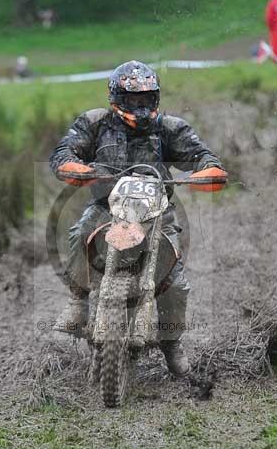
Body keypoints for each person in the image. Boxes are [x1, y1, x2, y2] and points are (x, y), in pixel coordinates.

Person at [49, 60, 227, 377]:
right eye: (133, 99)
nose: (140, 106)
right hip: (106, 207)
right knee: (78, 233)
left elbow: (204, 157)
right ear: (117, 97)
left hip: (157, 212)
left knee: (176, 284)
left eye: (146, 99)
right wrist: (80, 169)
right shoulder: (94, 123)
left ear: (155, 98)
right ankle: (78, 301)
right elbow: (64, 153)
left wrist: (207, 172)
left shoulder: (171, 128)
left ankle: (172, 346)